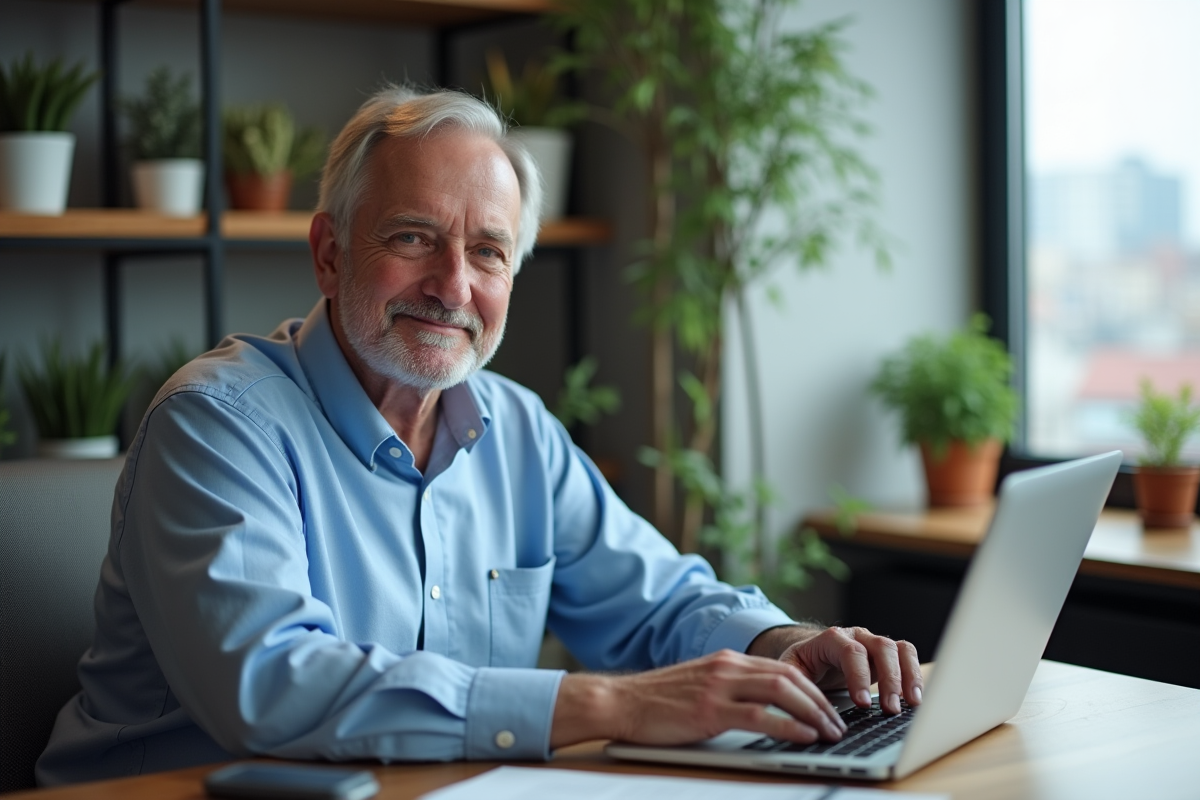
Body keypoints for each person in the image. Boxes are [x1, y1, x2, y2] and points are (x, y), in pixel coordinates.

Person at [37, 86, 922, 785]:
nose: (453, 285)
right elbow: (271, 684)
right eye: (414, 237)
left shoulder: (517, 429)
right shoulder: (217, 425)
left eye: (489, 252)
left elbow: (654, 603)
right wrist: (610, 703)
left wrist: (780, 646)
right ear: (330, 252)